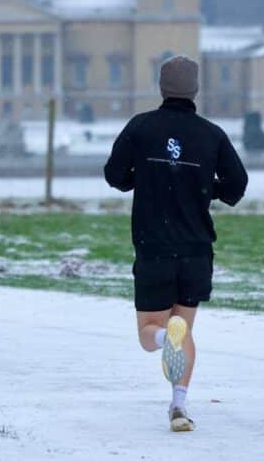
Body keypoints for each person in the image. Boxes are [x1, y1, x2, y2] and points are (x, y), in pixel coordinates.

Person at [104, 55, 248, 432]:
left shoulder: (141, 127)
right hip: (196, 249)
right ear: (195, 89)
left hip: (153, 246)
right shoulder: (212, 134)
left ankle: (164, 336)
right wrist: (205, 188)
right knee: (184, 328)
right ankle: (179, 405)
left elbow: (115, 175)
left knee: (149, 331)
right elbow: (237, 186)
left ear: (161, 87)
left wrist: (146, 178)